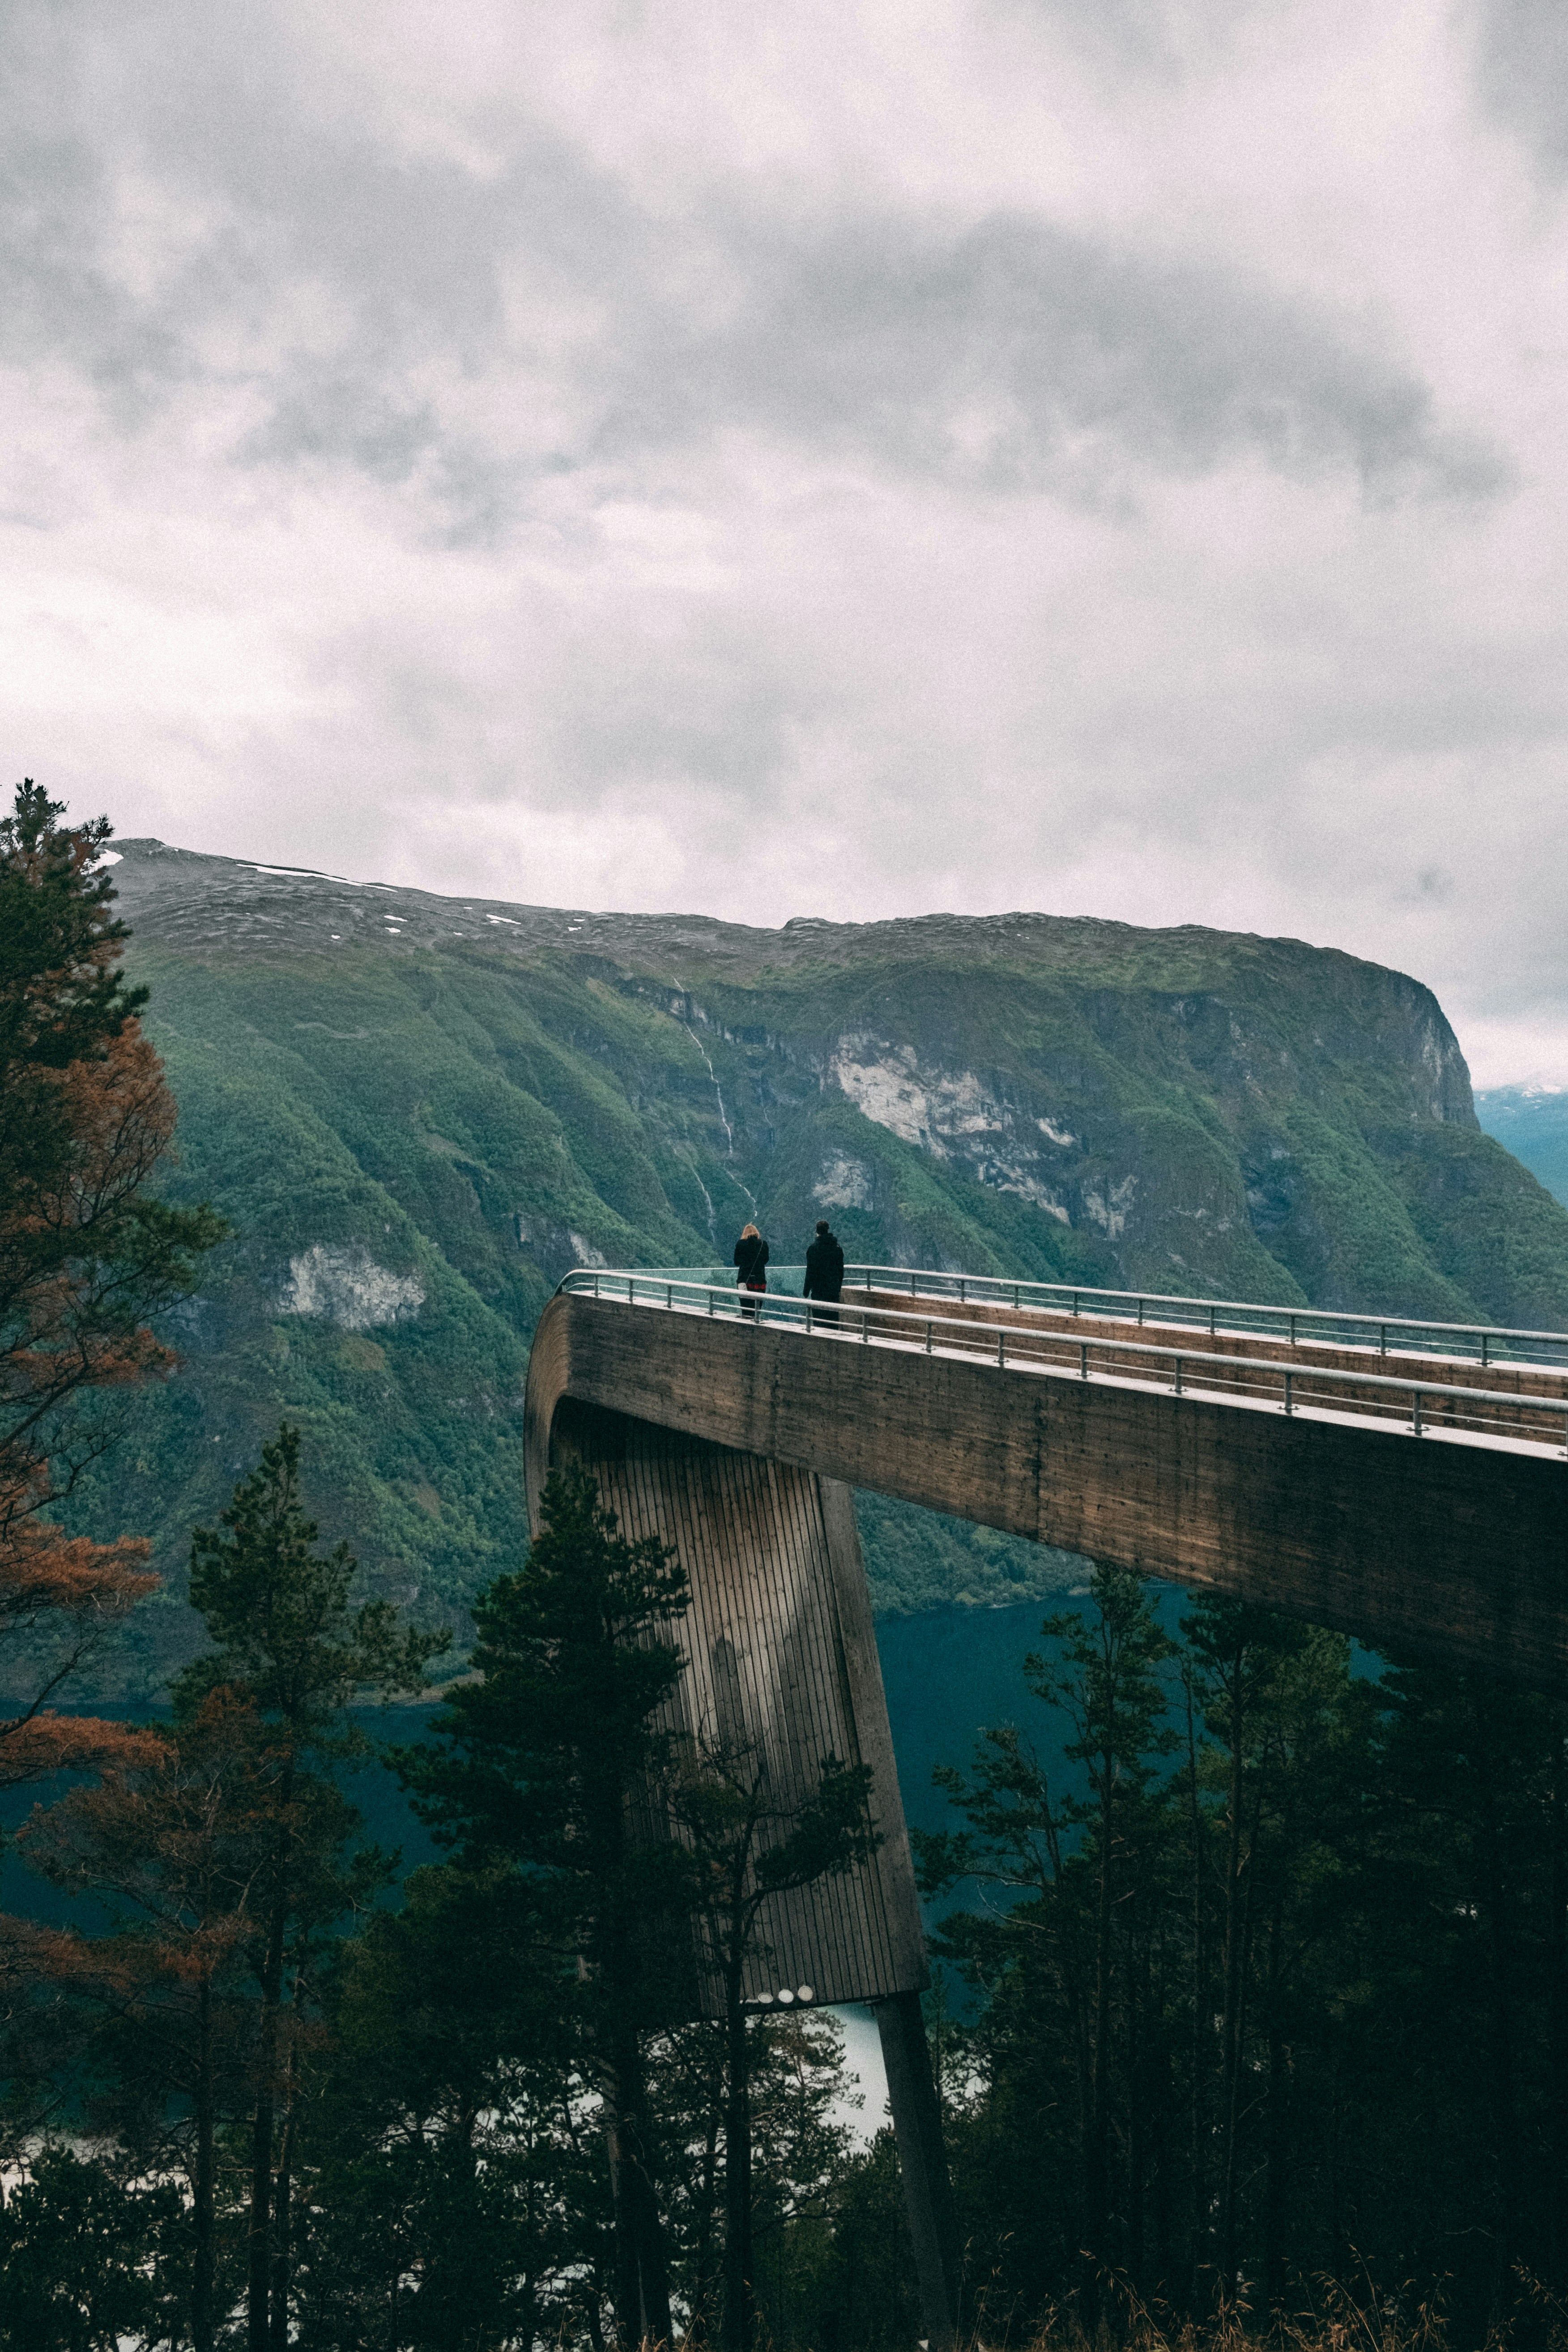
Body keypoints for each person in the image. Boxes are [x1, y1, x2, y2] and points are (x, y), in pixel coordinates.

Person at [802, 1219, 845, 1329]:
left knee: (819, 1321)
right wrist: (838, 1288)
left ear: (817, 1232)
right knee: (833, 1321)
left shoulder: (813, 1249)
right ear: (828, 1231)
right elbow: (841, 1271)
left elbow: (810, 1271)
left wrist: (806, 1291)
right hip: (833, 1291)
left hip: (819, 1291)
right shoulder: (837, 1248)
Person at [734, 1222, 769, 1317]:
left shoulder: (741, 1244)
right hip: (760, 1281)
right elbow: (766, 1260)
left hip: (744, 1280)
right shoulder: (763, 1244)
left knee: (746, 1309)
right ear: (756, 1232)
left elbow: (736, 1262)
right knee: (757, 1309)